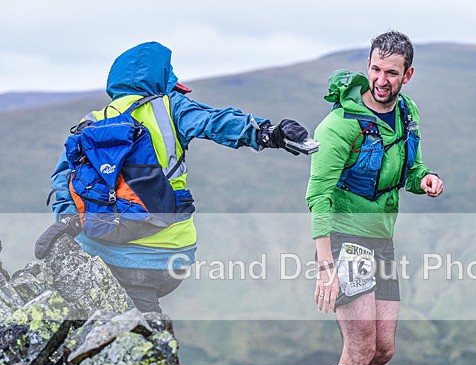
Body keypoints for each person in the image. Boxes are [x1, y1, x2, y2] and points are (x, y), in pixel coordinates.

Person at [38, 41, 308, 313]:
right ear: (162, 78)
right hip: (172, 255)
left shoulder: (91, 122)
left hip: (108, 254)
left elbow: (64, 179)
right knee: (140, 320)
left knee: (78, 290)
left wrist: (68, 220)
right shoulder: (169, 107)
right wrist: (267, 132)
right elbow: (213, 121)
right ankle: (146, 327)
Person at [306, 30, 444, 365]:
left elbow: (411, 170)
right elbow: (318, 195)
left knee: (383, 350)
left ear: (407, 74)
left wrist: (425, 179)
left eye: (392, 73)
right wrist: (326, 266)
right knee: (361, 348)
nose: (381, 80)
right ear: (367, 65)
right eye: (376, 70)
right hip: (345, 238)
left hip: (381, 239)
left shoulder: (406, 112)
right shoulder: (339, 126)